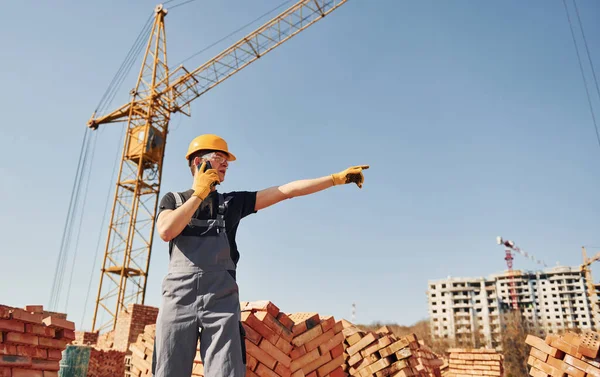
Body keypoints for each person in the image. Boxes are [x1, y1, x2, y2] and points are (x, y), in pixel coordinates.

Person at [152, 134, 369, 377]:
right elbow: (166, 230)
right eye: (219, 158)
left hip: (220, 301)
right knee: (167, 370)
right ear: (197, 162)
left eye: (227, 161)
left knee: (226, 371)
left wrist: (334, 179)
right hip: (178, 300)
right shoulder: (173, 200)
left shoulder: (233, 203)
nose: (226, 164)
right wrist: (198, 195)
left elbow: (286, 191)